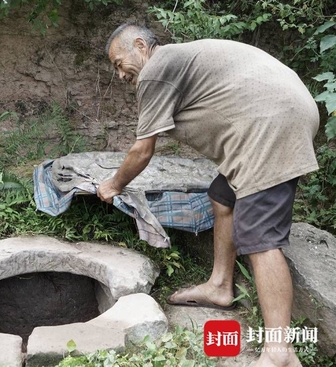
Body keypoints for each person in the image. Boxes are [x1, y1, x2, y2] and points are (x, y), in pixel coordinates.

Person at [97, 23, 319, 367]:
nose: (119, 74)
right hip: (275, 115)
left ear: (140, 45)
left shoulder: (156, 68)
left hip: (271, 124)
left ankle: (280, 352)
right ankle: (219, 285)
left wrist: (113, 185)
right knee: (222, 195)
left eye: (117, 62)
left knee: (259, 236)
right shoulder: (174, 62)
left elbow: (142, 150)